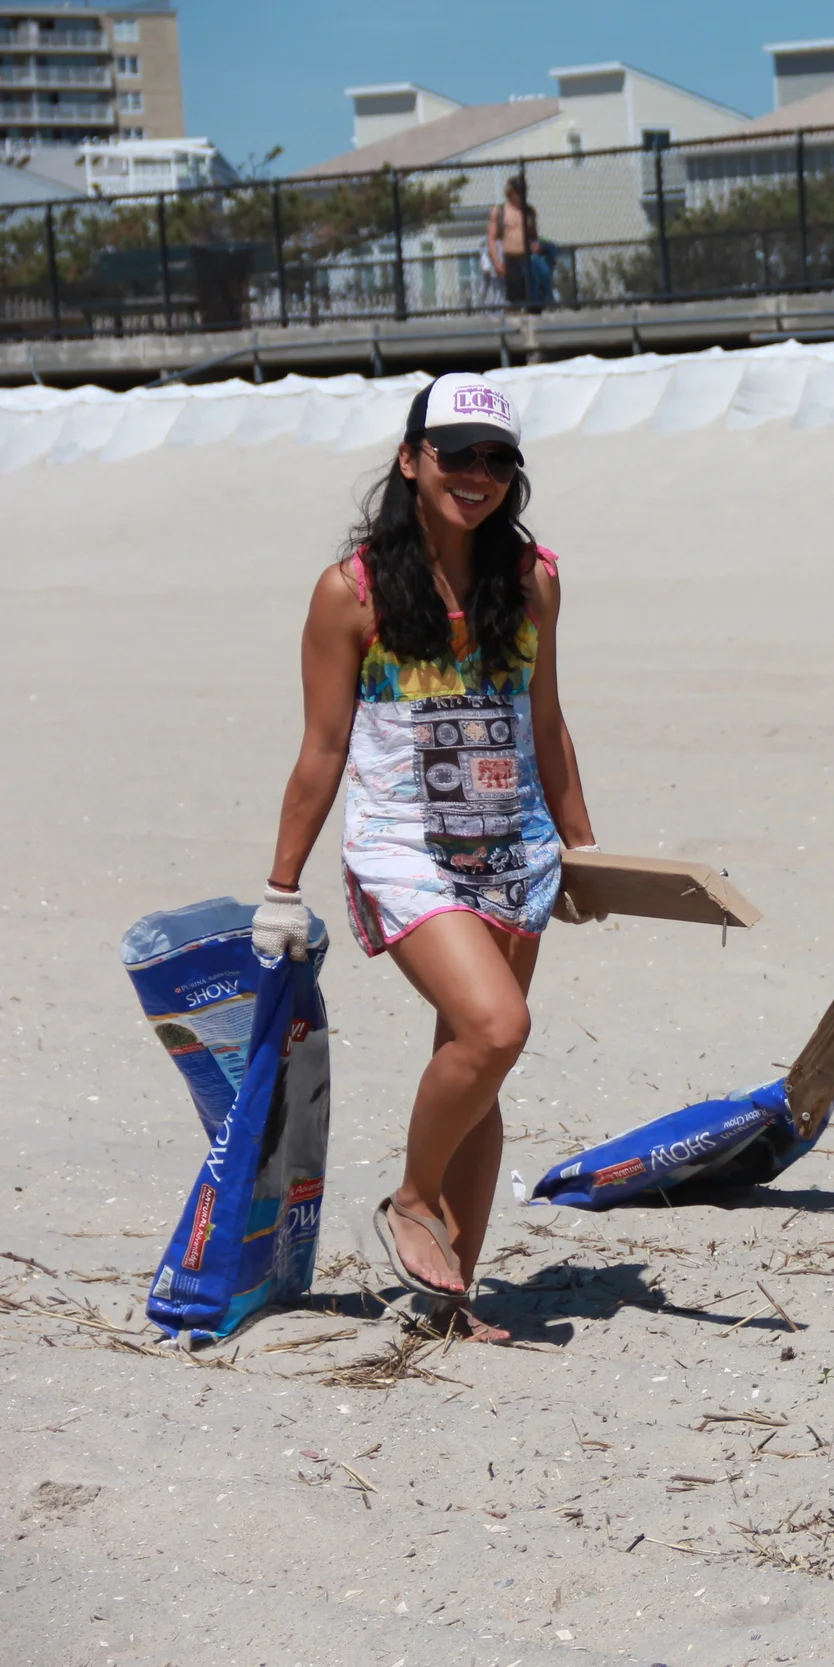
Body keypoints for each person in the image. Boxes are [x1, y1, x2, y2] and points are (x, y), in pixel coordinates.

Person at [252, 373, 600, 1339]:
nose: (476, 475)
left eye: (497, 459)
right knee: (496, 1026)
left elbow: (547, 721)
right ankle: (412, 1197)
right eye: (456, 454)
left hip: (515, 849)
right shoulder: (351, 593)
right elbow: (323, 749)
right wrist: (281, 886)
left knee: (473, 1065)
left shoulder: (532, 581)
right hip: (406, 851)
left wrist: (584, 846)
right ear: (411, 460)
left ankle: (454, 1296)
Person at [487, 177, 539, 313]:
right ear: (510, 192)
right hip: (510, 257)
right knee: (513, 298)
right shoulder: (500, 211)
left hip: (527, 257)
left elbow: (534, 235)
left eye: (523, 191)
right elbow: (491, 238)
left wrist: (535, 245)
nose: (520, 195)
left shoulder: (529, 212)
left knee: (532, 295)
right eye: (517, 191)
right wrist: (497, 262)